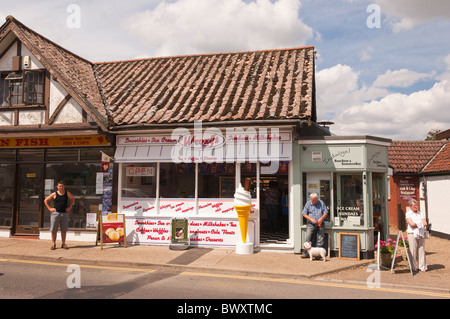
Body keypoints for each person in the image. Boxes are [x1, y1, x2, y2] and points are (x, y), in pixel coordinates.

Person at [44, 181, 75, 250]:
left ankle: (63, 243)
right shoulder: (54, 194)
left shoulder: (67, 193)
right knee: (54, 229)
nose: (61, 187)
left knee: (64, 230)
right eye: (60, 186)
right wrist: (50, 208)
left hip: (64, 213)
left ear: (64, 187)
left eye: (62, 186)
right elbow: (46, 200)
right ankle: (53, 244)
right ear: (57, 187)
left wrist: (69, 207)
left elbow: (72, 199)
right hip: (56, 214)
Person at [302, 193, 328, 257]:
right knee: (308, 238)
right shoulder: (308, 204)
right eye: (313, 200)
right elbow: (304, 214)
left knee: (320, 239)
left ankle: (318, 255)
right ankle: (306, 253)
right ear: (311, 199)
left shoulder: (321, 203)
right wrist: (311, 219)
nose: (314, 201)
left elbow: (326, 212)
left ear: (317, 198)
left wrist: (321, 218)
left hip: (320, 223)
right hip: (311, 224)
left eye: (315, 200)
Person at [405, 198, 427, 272]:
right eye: (414, 205)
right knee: (413, 250)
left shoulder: (421, 213)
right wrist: (420, 224)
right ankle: (413, 267)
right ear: (410, 206)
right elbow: (411, 224)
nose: (416, 206)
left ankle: (422, 267)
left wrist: (417, 224)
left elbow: (425, 223)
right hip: (412, 233)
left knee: (421, 250)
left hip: (421, 233)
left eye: (416, 205)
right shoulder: (408, 214)